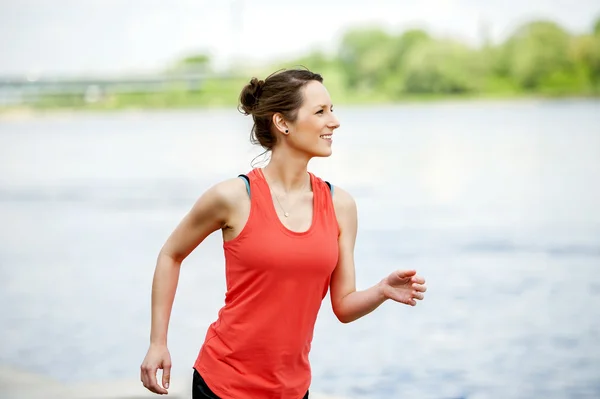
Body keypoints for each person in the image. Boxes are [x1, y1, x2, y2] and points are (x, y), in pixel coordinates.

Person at [139, 68, 427, 398]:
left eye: (332, 110)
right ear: (283, 123)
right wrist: (157, 343)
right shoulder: (233, 197)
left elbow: (343, 306)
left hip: (292, 389)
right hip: (223, 384)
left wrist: (381, 290)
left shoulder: (340, 206)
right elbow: (171, 254)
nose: (334, 122)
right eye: (320, 112)